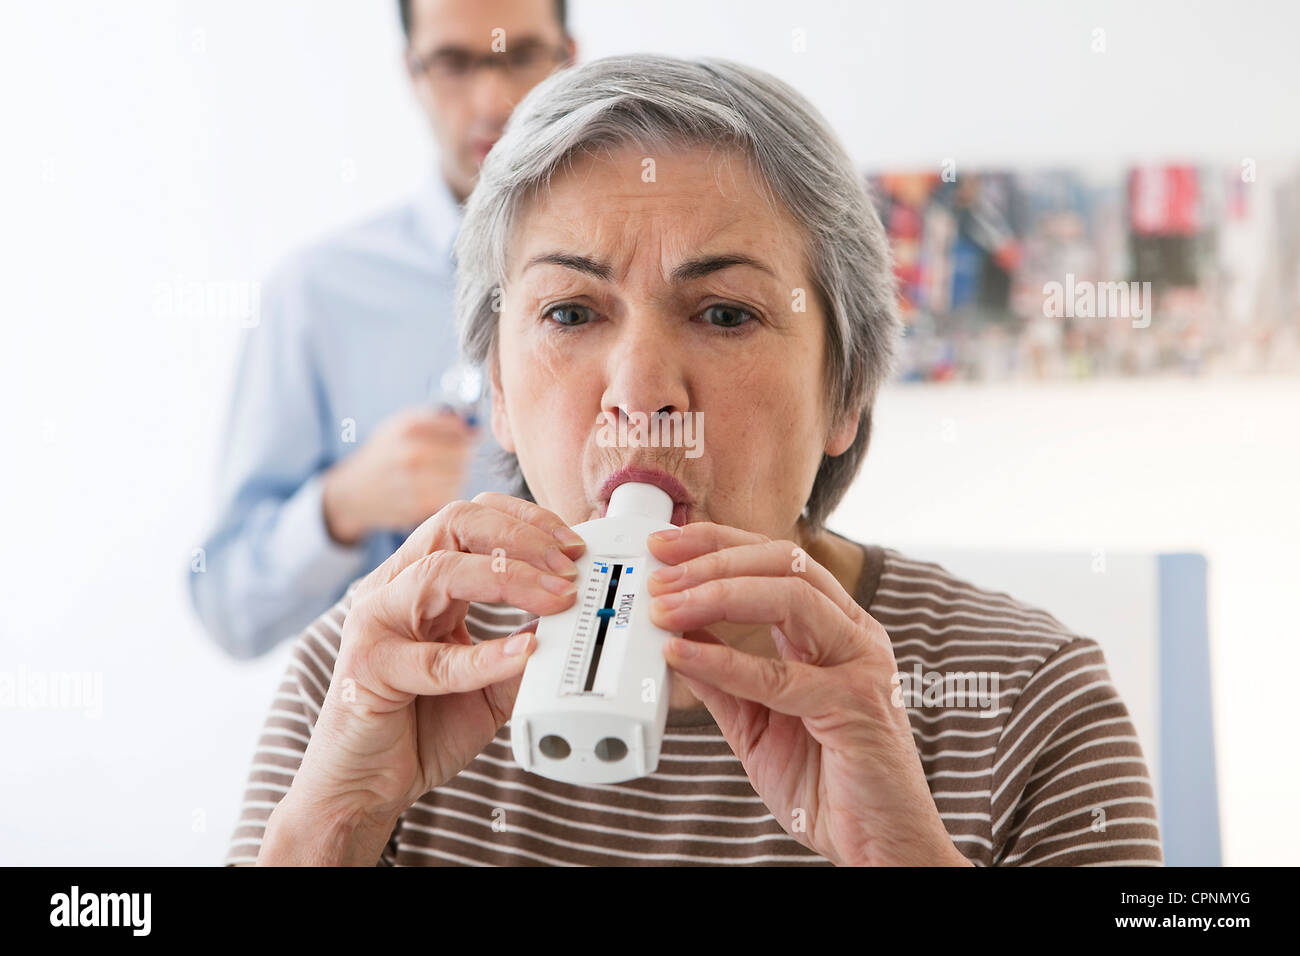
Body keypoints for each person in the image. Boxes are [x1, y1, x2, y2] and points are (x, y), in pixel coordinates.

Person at [226, 54, 1163, 866]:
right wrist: (333, 831)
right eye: (570, 313)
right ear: (499, 393)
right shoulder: (375, 674)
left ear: (847, 393)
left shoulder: (1031, 702)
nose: (641, 395)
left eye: (726, 314)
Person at [189, 0, 578, 659]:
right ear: (412, 71)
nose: (492, 100)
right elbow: (228, 608)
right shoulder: (316, 295)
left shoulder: (658, 275)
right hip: (412, 748)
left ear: (567, 57)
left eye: (520, 56)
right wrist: (339, 507)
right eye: (454, 62)